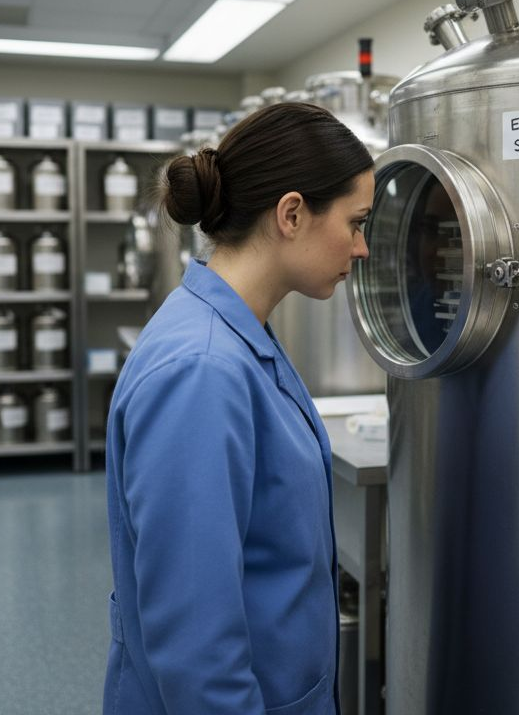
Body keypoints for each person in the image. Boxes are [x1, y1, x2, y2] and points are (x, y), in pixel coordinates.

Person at [103, 102, 375, 715]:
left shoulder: (235, 333)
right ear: (292, 214)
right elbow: (198, 649)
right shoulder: (200, 370)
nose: (361, 248)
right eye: (356, 222)